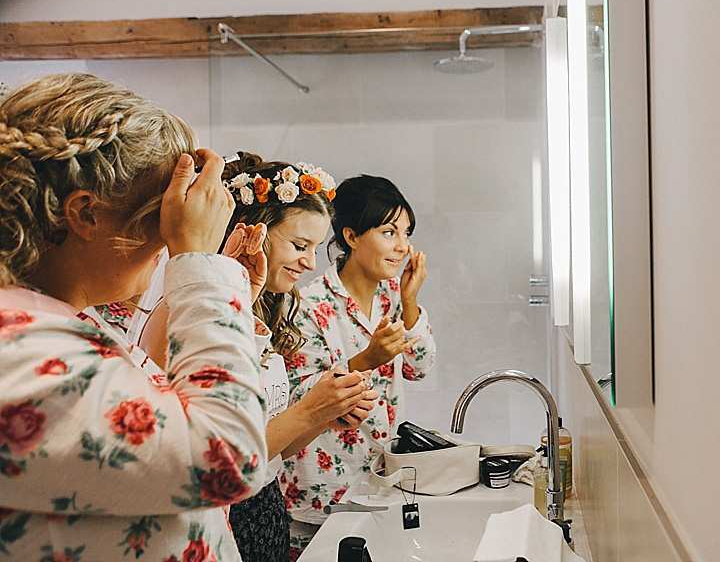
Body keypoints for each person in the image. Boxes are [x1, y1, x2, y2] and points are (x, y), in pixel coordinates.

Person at [0, 73, 267, 560]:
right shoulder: (16, 350)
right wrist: (201, 263)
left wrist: (227, 298)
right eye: (160, 217)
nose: (169, 240)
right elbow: (228, 456)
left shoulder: (68, 321)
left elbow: (170, 401)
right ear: (85, 213)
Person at [135, 153, 378, 562]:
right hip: (223, 514)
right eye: (300, 245)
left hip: (265, 506)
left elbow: (268, 445)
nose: (310, 262)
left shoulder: (260, 307)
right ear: (253, 232)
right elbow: (208, 457)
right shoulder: (184, 313)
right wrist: (308, 411)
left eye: (316, 247)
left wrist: (323, 414)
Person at [280, 175, 436, 557]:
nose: (402, 247)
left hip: (380, 485)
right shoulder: (308, 304)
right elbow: (296, 397)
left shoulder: (392, 300)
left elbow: (420, 367)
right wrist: (367, 359)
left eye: (406, 233)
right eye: (389, 232)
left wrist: (410, 300)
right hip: (319, 493)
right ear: (351, 237)